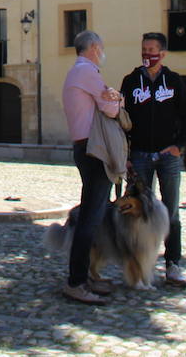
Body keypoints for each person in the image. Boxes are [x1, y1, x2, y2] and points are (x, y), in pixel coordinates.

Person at [120, 31, 186, 289]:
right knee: (138, 214)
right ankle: (140, 265)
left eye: (152, 50)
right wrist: (126, 156)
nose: (147, 54)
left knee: (171, 212)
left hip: (168, 157)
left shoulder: (173, 81)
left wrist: (179, 145)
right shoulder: (131, 81)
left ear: (162, 54)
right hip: (139, 155)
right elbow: (122, 119)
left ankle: (173, 265)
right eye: (143, 49)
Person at [59, 29, 124, 304]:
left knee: (92, 214)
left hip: (84, 147)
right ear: (94, 47)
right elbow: (111, 109)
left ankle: (85, 276)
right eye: (102, 47)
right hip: (94, 148)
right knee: (90, 217)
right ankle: (77, 281)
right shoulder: (87, 71)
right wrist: (117, 99)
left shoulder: (76, 72)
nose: (102, 52)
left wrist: (112, 99)